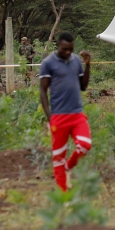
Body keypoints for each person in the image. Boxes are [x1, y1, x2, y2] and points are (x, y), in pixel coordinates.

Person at [39, 32, 92, 192]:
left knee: (85, 145)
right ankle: (64, 195)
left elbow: (83, 86)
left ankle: (68, 167)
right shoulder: (48, 63)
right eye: (64, 49)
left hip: (77, 114)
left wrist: (88, 64)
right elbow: (42, 90)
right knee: (58, 157)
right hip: (59, 117)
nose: (68, 52)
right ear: (58, 46)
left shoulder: (76, 60)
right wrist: (50, 118)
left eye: (70, 49)